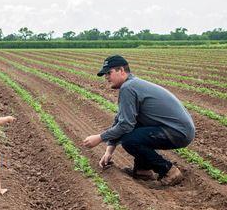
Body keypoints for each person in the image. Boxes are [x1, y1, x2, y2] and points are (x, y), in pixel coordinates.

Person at [82, 55, 195, 186]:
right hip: (178, 130)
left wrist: (100, 137)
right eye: (105, 74)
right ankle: (143, 171)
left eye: (109, 72)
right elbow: (120, 120)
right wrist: (109, 151)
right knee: (133, 131)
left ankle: (168, 170)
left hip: (178, 132)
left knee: (130, 140)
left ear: (122, 70)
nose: (106, 77)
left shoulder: (128, 88)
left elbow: (125, 126)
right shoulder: (132, 85)